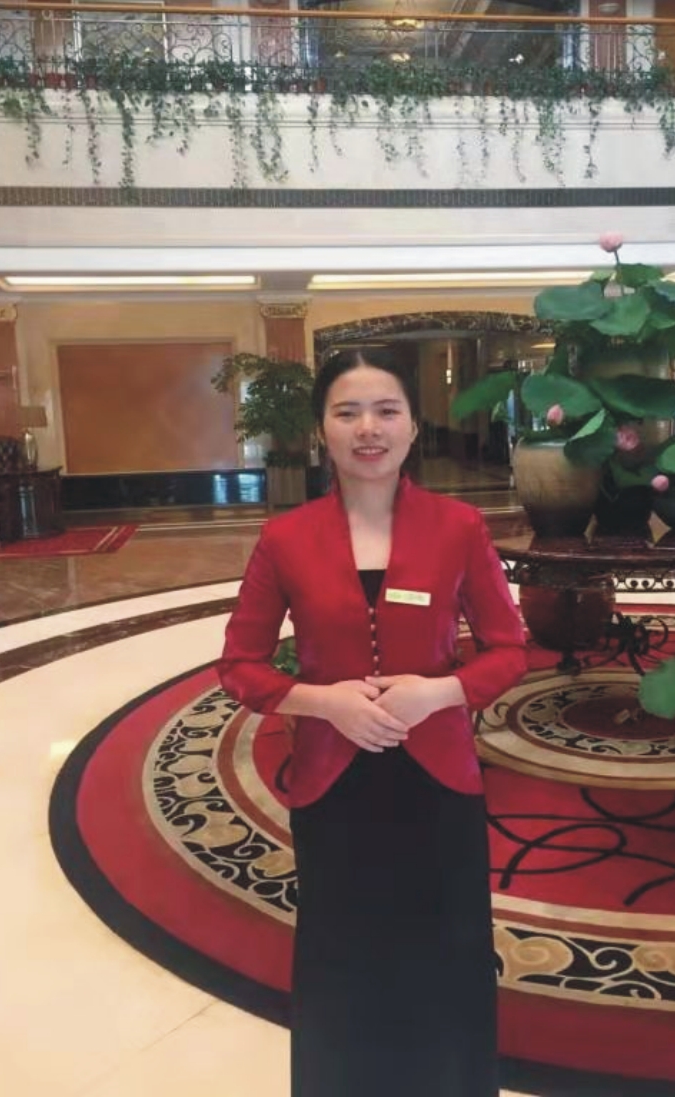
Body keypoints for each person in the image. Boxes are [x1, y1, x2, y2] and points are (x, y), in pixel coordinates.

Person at [217, 348, 528, 1097]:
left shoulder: (457, 527)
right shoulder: (286, 538)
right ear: (321, 430)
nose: (368, 428)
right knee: (343, 957)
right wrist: (326, 702)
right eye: (347, 412)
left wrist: (440, 692)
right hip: (334, 782)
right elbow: (240, 666)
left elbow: (509, 649)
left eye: (386, 410)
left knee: (446, 952)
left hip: (439, 780)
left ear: (414, 427)